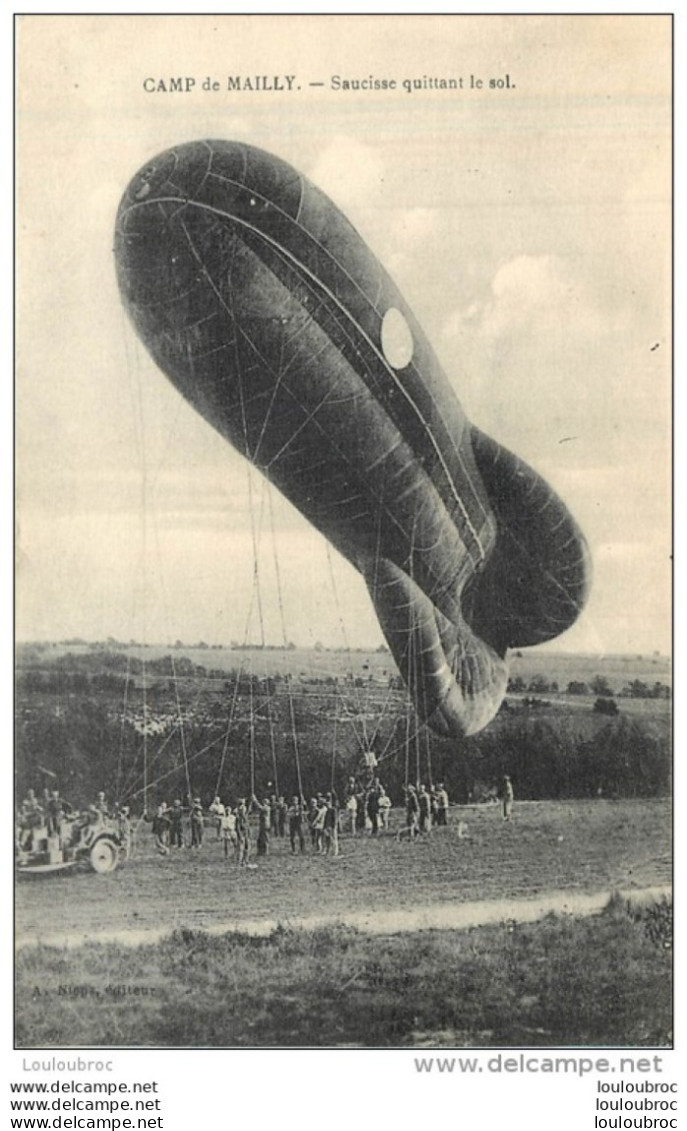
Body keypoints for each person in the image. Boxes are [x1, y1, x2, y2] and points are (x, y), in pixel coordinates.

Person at [234, 798, 251, 866]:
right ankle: (239, 861)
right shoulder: (239, 818)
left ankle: (245, 860)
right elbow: (237, 828)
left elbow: (247, 825)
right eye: (243, 810)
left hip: (246, 833)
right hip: (242, 833)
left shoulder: (245, 817)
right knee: (240, 848)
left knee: (247, 847)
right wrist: (240, 835)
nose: (244, 810)